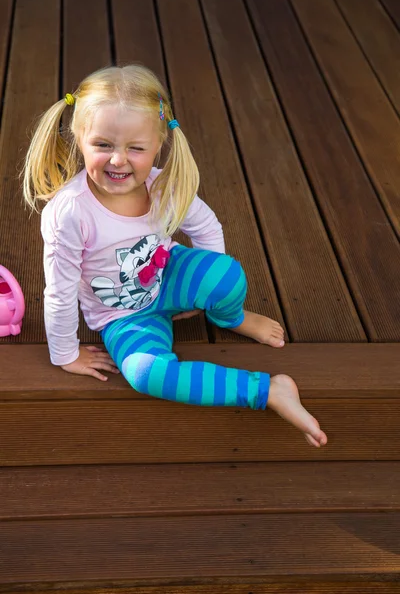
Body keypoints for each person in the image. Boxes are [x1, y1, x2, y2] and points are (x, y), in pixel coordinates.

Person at [23, 65, 327, 448]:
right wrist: (65, 354)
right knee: (147, 374)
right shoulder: (71, 212)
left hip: (167, 276)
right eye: (103, 145)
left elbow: (206, 227)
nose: (118, 160)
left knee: (227, 275)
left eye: (136, 148)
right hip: (123, 314)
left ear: (159, 143)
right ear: (79, 138)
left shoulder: (163, 185)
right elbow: (61, 291)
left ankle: (228, 317)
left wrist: (204, 296)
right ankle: (269, 391)